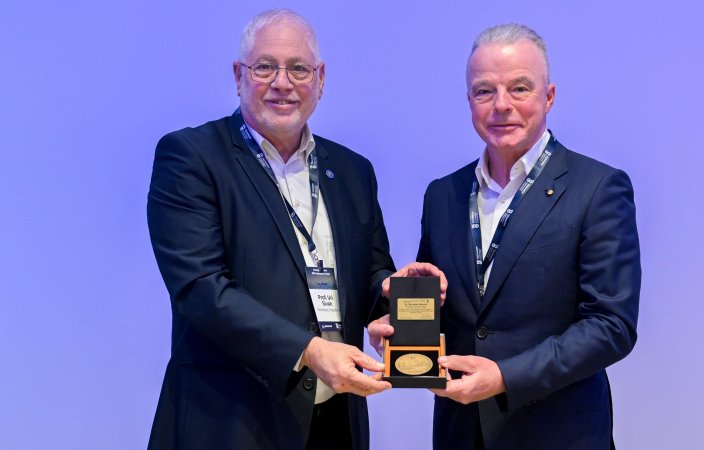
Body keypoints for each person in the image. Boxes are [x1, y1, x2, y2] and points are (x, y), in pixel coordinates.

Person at [146, 9, 443, 450]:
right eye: (265, 66)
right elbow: (201, 290)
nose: (282, 82)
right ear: (239, 75)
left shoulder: (353, 171)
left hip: (336, 422)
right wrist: (309, 350)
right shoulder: (191, 157)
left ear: (320, 79)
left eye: (298, 68)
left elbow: (370, 274)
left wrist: (389, 303)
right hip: (229, 424)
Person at [373, 23, 641, 449]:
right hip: (460, 433)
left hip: (559, 434)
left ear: (548, 96)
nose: (501, 106)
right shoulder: (443, 194)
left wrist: (503, 378)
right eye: (484, 91)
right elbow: (453, 313)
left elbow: (611, 327)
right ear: (469, 101)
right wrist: (400, 330)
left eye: (519, 88)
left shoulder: (598, 188)